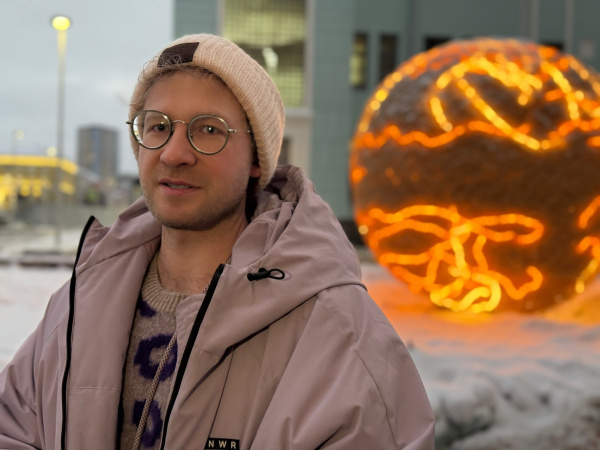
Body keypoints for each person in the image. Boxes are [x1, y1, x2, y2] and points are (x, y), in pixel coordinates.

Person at [0, 34, 434, 449]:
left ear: (256, 159)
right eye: (158, 126)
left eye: (209, 130)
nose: (174, 153)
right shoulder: (80, 301)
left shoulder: (339, 330)